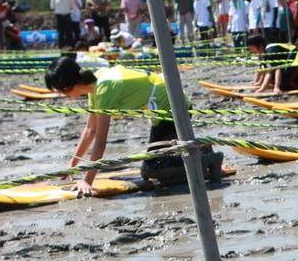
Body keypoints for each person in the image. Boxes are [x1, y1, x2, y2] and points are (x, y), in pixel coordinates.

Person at [43, 54, 225, 193]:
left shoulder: (104, 88)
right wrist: (73, 166)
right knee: (156, 164)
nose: (62, 96)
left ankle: (204, 157)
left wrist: (87, 181)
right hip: (160, 113)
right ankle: (198, 150)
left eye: (59, 91)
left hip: (173, 107)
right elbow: (90, 130)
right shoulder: (94, 87)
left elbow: (100, 141)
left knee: (153, 171)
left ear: (67, 86)